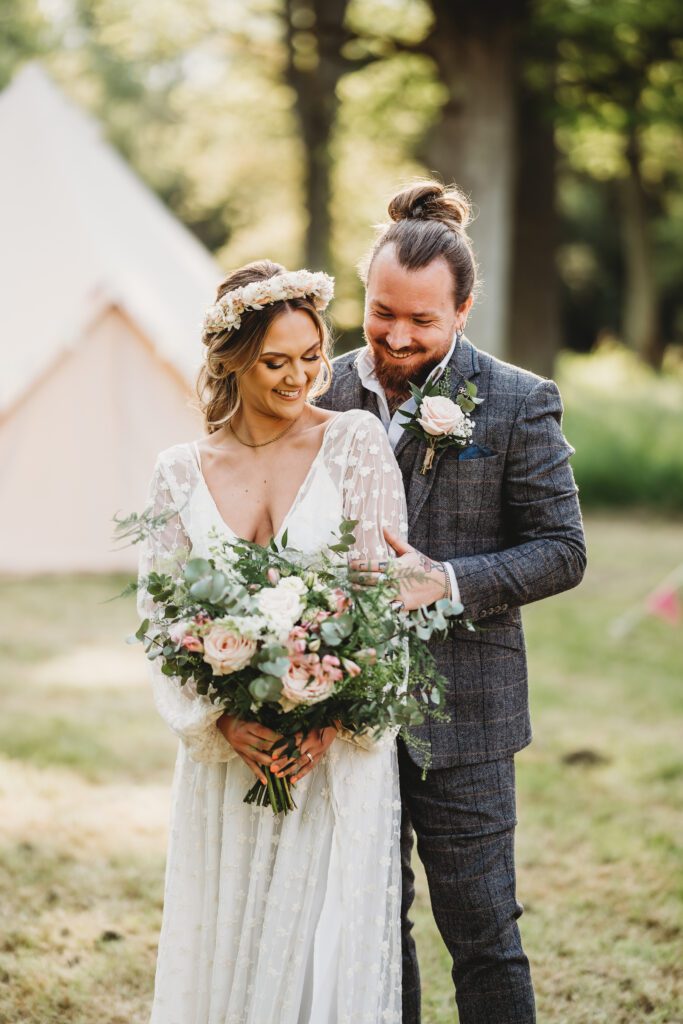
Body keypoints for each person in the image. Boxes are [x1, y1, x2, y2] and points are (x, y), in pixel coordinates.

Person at [316, 179, 587, 1024]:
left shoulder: (515, 401)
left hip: (466, 710)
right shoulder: (313, 393)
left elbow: (563, 550)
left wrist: (450, 580)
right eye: (381, 312)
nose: (397, 337)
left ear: (463, 310)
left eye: (422, 321)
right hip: (341, 703)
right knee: (368, 925)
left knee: (480, 930)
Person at [138, 261, 409, 1023]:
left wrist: (328, 718)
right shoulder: (177, 474)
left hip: (332, 756)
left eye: (313, 355)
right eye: (276, 361)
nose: (301, 378)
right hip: (230, 759)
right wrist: (222, 721)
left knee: (318, 948)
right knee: (229, 941)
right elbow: (161, 623)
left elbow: (380, 599)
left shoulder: (355, 443)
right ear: (229, 361)